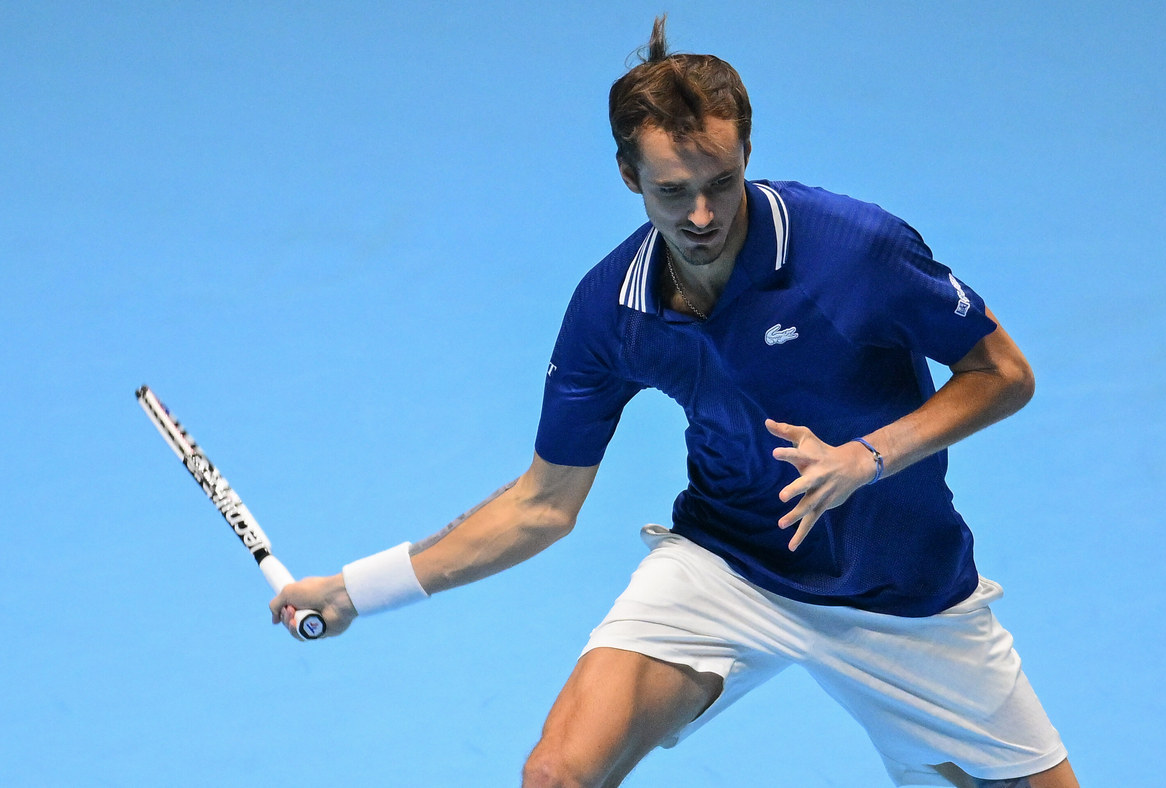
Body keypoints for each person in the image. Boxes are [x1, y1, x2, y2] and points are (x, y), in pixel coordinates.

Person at [272, 16, 1078, 788]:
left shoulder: (854, 249)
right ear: (630, 177)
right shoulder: (611, 309)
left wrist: (868, 458)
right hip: (727, 563)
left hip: (905, 593)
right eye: (672, 190)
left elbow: (1003, 372)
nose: (701, 215)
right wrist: (354, 589)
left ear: (747, 153)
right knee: (555, 774)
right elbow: (541, 505)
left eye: (721, 183)